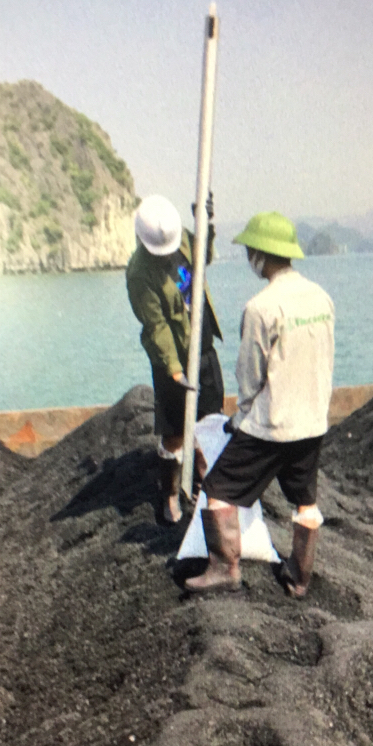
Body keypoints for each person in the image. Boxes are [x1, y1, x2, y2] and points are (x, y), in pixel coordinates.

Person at [185, 210, 335, 598]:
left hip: (272, 425)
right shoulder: (321, 298)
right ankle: (299, 578)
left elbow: (250, 375)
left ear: (260, 255)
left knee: (218, 488)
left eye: (250, 251)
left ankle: (224, 568)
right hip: (313, 421)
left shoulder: (260, 307)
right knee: (304, 500)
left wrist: (240, 417)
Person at [126, 193, 224, 523]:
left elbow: (203, 257)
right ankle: (169, 492)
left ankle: (204, 486)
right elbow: (156, 326)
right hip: (173, 358)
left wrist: (205, 225)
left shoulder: (180, 237)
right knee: (174, 433)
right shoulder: (140, 273)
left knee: (210, 422)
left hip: (202, 345)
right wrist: (174, 370)